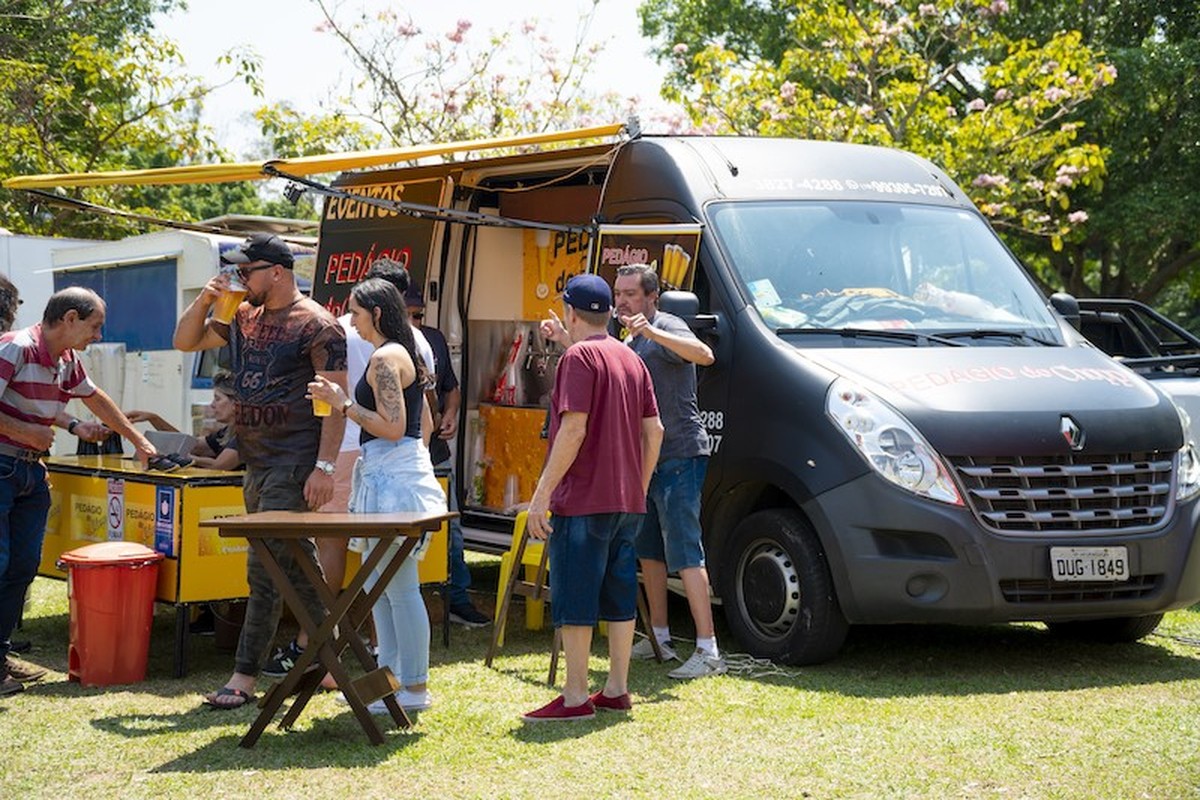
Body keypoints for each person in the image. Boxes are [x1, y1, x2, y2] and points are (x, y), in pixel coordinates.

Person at [173, 232, 347, 709]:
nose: (239, 277)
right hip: (255, 462)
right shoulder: (241, 314)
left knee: (265, 569)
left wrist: (324, 467)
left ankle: (243, 677)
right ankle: (338, 661)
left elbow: (332, 403)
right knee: (293, 565)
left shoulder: (317, 324)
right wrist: (209, 299)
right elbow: (185, 341)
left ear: (277, 271)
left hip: (293, 461)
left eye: (247, 270)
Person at [0, 287, 156, 697]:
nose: (98, 336)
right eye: (95, 326)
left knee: (22, 566)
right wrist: (25, 431)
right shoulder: (15, 348)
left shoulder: (65, 360)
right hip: (3, 466)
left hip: (30, 472)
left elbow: (95, 399)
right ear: (70, 318)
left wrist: (137, 439)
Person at [522, 274, 662, 722]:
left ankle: (577, 695)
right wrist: (637, 487)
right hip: (626, 500)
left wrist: (541, 495)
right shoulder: (629, 356)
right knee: (620, 594)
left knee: (575, 597)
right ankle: (617, 689)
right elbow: (654, 430)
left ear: (570, 312)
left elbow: (574, 428)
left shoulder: (578, 357)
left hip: (582, 497)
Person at [309, 277, 446, 713]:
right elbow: (419, 421)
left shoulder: (387, 357)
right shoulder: (394, 354)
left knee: (399, 589)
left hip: (392, 486)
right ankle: (390, 684)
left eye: (356, 312)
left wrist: (342, 402)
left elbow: (392, 426)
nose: (350, 320)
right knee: (383, 587)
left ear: (378, 314)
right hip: (387, 479)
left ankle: (415, 688)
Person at [614, 263, 727, 678]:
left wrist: (652, 332)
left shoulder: (668, 324)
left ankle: (709, 650)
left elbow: (706, 354)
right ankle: (659, 637)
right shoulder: (626, 336)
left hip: (680, 453)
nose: (622, 300)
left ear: (651, 298)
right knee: (650, 552)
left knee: (685, 552)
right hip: (646, 461)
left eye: (630, 293)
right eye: (618, 293)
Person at [404, 285, 490, 627]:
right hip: (401, 455)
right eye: (407, 314)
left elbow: (450, 388)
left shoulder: (434, 339)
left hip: (435, 454)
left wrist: (451, 412)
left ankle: (457, 599)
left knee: (451, 530)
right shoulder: (379, 343)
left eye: (418, 315)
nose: (414, 321)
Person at [126, 369, 242, 470]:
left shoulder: (249, 434)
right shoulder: (227, 432)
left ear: (235, 403)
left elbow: (219, 465)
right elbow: (191, 445)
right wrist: (154, 418)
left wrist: (181, 458)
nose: (212, 404)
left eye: (217, 399)